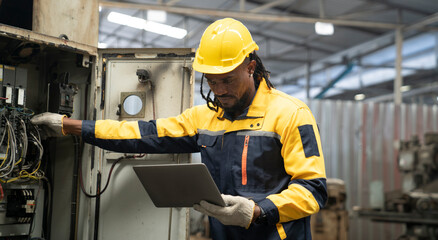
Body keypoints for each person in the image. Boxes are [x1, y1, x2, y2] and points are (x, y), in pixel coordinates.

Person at [31, 18, 327, 240]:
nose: (219, 90)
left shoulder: (290, 114)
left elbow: (313, 191)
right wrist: (70, 126)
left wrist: (258, 210)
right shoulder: (205, 119)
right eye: (211, 80)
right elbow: (141, 134)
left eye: (228, 79)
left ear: (251, 67)